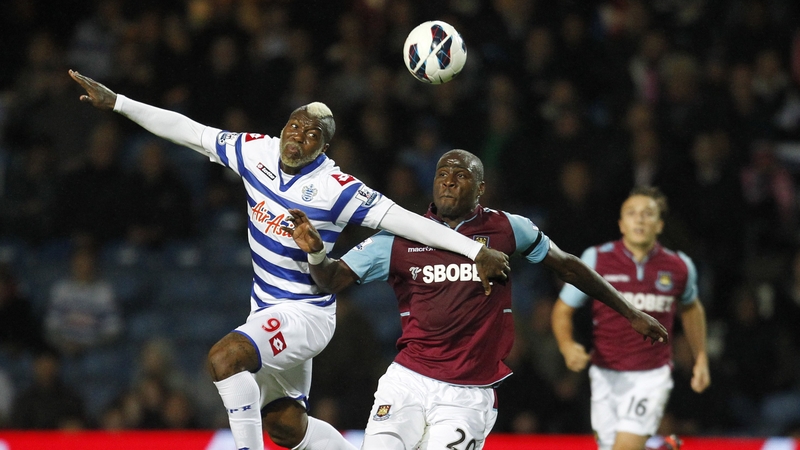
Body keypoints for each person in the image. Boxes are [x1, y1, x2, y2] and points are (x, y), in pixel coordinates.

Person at [69, 70, 511, 450]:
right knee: (285, 427)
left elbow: (406, 221)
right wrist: (119, 103)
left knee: (225, 359)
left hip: (307, 314)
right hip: (265, 308)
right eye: (294, 127)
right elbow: (188, 130)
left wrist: (475, 250)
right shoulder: (255, 151)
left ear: (323, 147)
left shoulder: (337, 187)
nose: (298, 136)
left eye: (311, 134)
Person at [283, 149, 669, 450]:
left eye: (461, 175)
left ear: (480, 188)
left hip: (468, 392)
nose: (449, 182)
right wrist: (316, 253)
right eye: (442, 174)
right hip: (407, 381)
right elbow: (330, 280)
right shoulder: (400, 237)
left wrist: (630, 311)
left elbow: (568, 266)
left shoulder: (506, 228)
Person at [551, 186, 711, 450]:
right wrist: (567, 346)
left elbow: (692, 309)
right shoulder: (596, 259)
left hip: (650, 375)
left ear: (659, 225)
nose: (639, 219)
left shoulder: (679, 266)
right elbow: (563, 309)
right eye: (632, 213)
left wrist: (701, 358)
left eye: (648, 214)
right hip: (604, 373)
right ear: (621, 224)